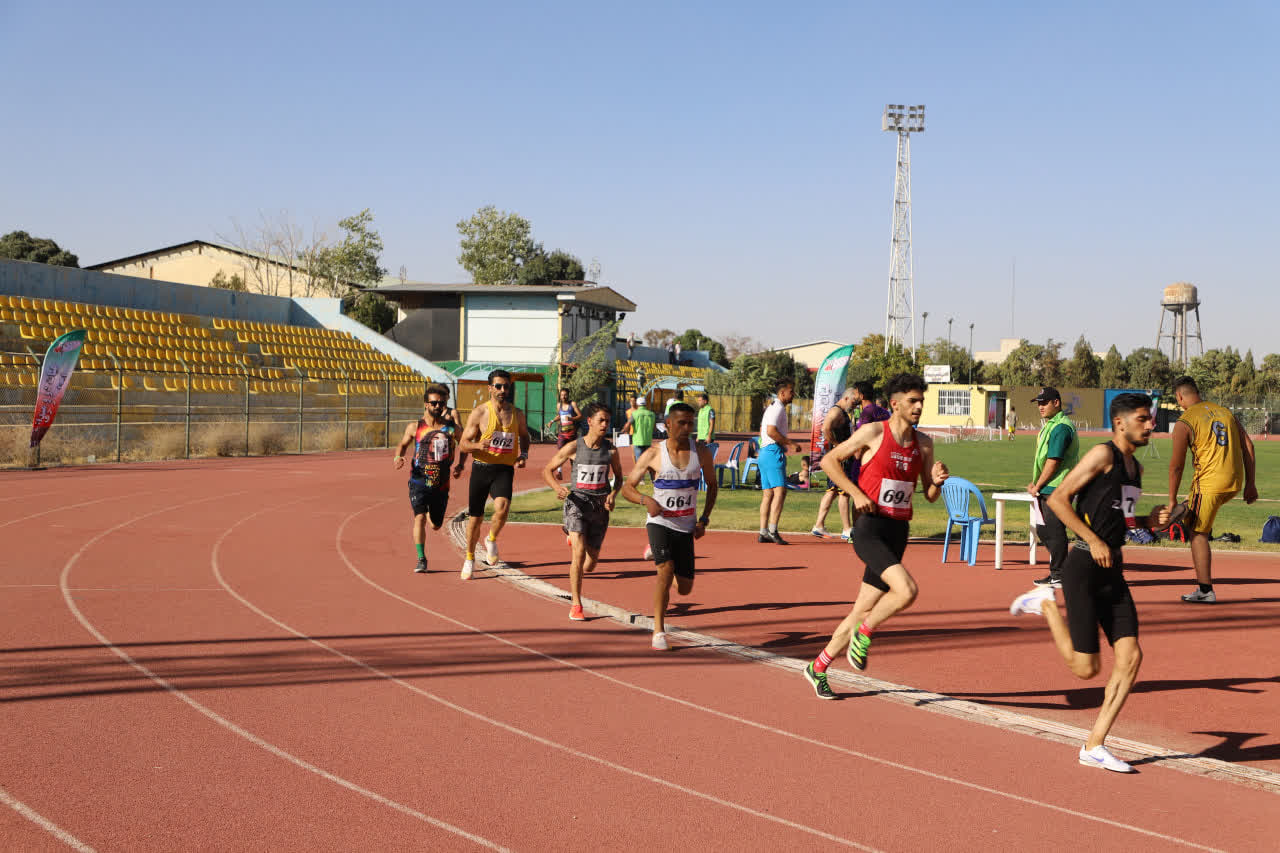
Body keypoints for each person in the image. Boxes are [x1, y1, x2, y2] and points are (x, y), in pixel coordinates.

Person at [1010, 393, 1170, 773]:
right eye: (1143, 419)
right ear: (1120, 423)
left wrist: (1147, 521)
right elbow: (1058, 500)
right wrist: (1093, 540)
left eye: (1150, 419)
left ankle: (1094, 745)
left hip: (1113, 568)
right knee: (1085, 670)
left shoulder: (1135, 469)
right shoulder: (1102, 455)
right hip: (1083, 564)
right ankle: (1045, 603)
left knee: (1131, 658)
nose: (1151, 425)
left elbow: (1120, 520)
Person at [802, 374, 949, 699]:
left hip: (898, 531)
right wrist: (855, 493)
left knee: (861, 608)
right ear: (895, 404)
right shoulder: (873, 432)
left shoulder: (924, 443)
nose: (919, 406)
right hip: (869, 527)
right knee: (907, 590)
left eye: (921, 401)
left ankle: (818, 667)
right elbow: (829, 461)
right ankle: (865, 632)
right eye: (912, 401)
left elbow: (929, 495)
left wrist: (938, 481)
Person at [621, 402, 717, 650]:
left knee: (684, 588)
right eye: (682, 423)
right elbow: (627, 488)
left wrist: (703, 519)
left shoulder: (701, 452)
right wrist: (646, 500)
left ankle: (660, 556)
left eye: (690, 423)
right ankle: (659, 631)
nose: (687, 428)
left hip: (685, 526)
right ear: (668, 425)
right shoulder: (653, 454)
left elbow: (713, 486)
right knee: (665, 571)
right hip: (659, 522)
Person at [1167, 376, 1258, 603]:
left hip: (1209, 484)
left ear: (1179, 397)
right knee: (1194, 513)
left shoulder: (1185, 421)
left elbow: (1176, 466)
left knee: (1197, 533)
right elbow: (1248, 445)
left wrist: (1171, 499)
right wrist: (1250, 484)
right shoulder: (1225, 412)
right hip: (1234, 483)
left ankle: (1205, 590)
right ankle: (1188, 508)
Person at [542, 403, 624, 621]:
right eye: (601, 420)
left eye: (607, 421)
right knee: (578, 554)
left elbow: (619, 478)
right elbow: (547, 470)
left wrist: (613, 494)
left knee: (590, 564)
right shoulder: (574, 447)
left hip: (599, 507)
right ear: (589, 421)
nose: (605, 425)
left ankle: (574, 537)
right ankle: (576, 604)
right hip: (576, 503)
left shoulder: (611, 450)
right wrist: (557, 488)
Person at [457, 369, 530, 579]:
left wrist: (523, 454)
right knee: (475, 518)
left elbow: (524, 436)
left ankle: (490, 539)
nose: (502, 390)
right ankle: (469, 558)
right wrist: (478, 445)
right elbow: (463, 444)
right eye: (498, 386)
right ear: (490, 388)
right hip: (482, 468)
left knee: (503, 507)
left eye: (506, 386)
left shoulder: (517, 414)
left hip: (504, 469)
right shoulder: (480, 412)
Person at [393, 384, 461, 573]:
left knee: (437, 525)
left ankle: (433, 515)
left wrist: (461, 464)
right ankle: (421, 558)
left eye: (441, 403)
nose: (438, 406)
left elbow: (464, 443)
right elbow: (402, 445)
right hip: (418, 481)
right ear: (426, 404)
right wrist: (398, 457)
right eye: (434, 403)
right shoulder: (415, 427)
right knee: (419, 517)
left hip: (441, 483)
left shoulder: (451, 428)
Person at [1027, 387, 1080, 588]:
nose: (1040, 407)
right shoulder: (1051, 425)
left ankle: (1060, 573)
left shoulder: (1061, 428)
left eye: (1044, 403)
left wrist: (1038, 485)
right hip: (1048, 487)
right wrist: (1037, 483)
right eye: (1038, 403)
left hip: (1058, 488)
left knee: (1054, 530)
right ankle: (1061, 570)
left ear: (1056, 403)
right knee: (1044, 529)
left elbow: (1054, 461)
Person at [758, 379, 803, 544]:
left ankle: (763, 532)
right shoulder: (777, 408)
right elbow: (771, 431)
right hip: (772, 452)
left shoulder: (772, 407)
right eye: (791, 391)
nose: (793, 394)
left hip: (765, 452)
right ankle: (772, 530)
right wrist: (791, 443)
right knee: (780, 492)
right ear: (782, 393)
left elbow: (763, 429)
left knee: (768, 494)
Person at [811, 386, 859, 540]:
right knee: (845, 491)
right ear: (846, 398)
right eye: (854, 402)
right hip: (841, 458)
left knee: (832, 491)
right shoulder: (836, 411)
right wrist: (838, 446)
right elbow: (825, 428)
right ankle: (847, 529)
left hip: (841, 456)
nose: (855, 406)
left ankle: (819, 525)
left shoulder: (842, 412)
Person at [547, 388, 582, 481]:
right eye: (562, 395)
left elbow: (580, 416)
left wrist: (571, 419)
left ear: (568, 395)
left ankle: (575, 474)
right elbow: (559, 415)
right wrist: (552, 421)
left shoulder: (572, 404)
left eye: (565, 395)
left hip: (572, 434)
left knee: (572, 454)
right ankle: (559, 472)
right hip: (562, 433)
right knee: (560, 452)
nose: (563, 397)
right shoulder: (559, 405)